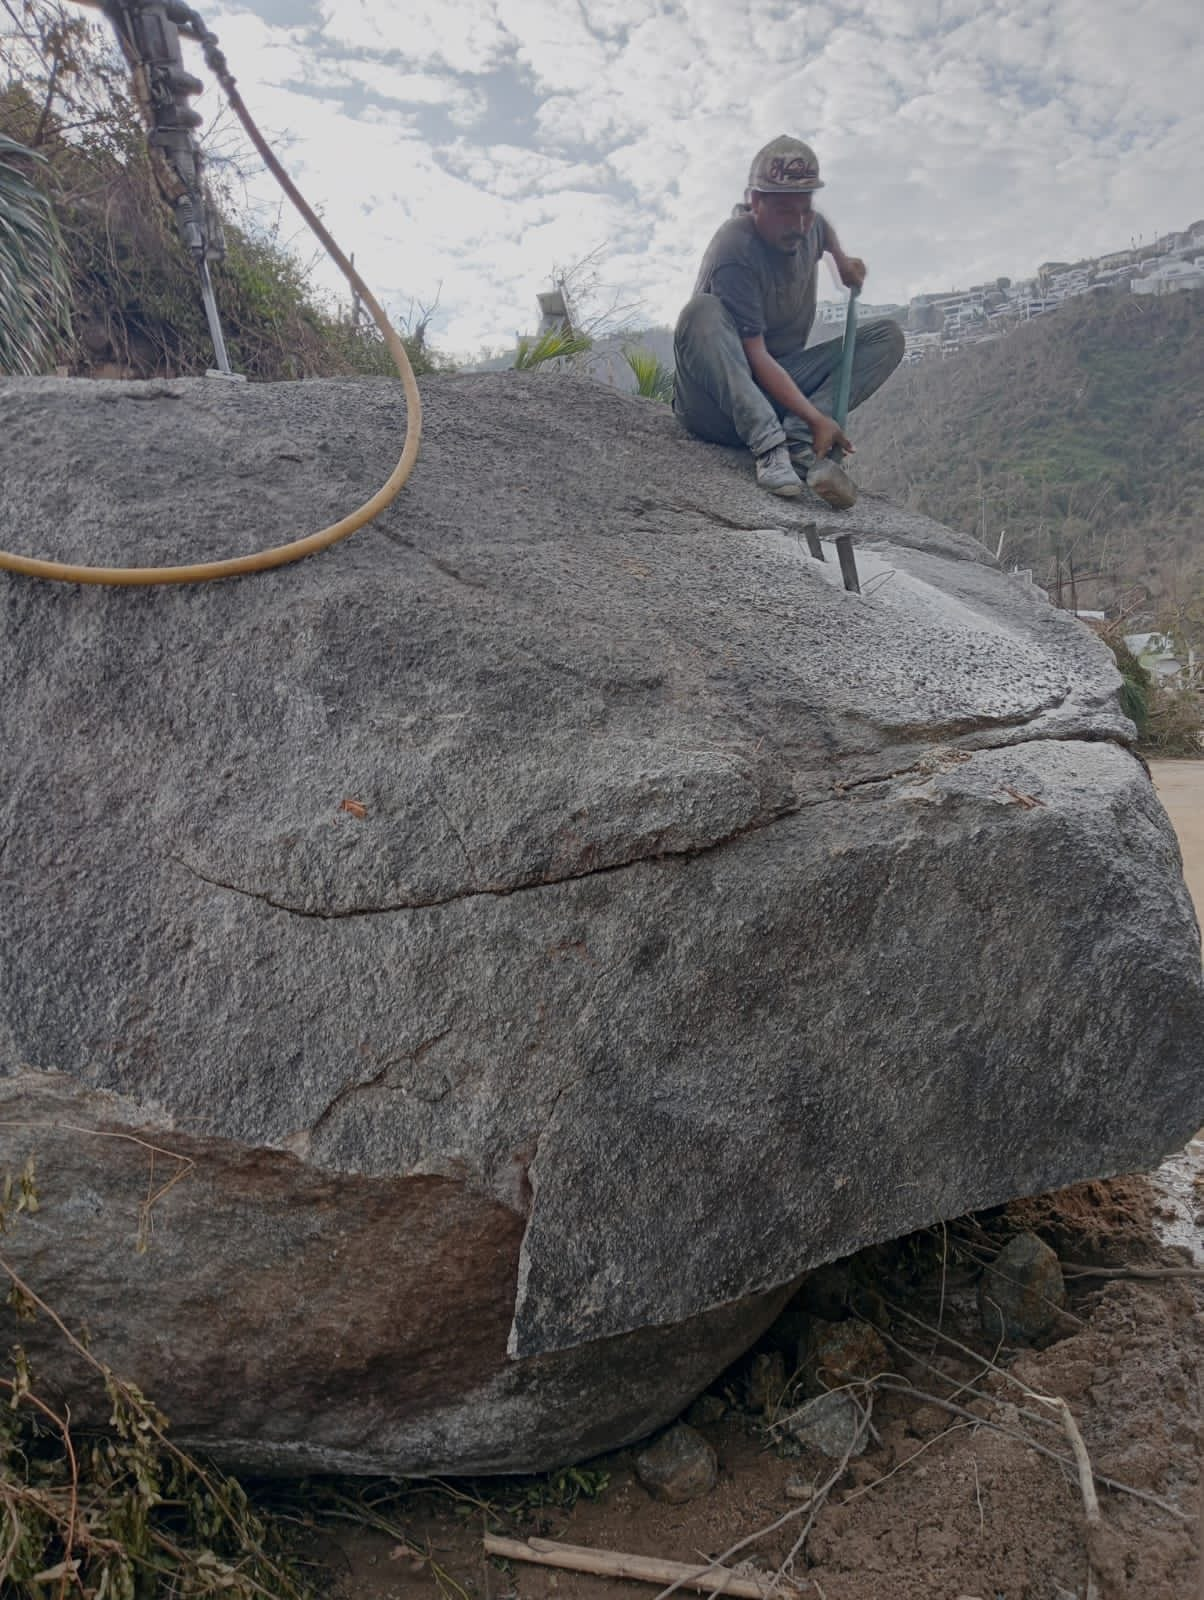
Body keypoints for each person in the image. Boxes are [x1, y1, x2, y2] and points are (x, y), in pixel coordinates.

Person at [672, 134, 904, 506]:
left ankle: (799, 443)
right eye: (784, 212)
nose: (798, 224)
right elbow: (756, 357)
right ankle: (771, 449)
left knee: (887, 336)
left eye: (804, 209)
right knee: (700, 312)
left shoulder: (808, 225)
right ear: (754, 202)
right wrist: (816, 416)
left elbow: (822, 230)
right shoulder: (735, 247)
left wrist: (843, 263)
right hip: (715, 403)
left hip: (777, 384)